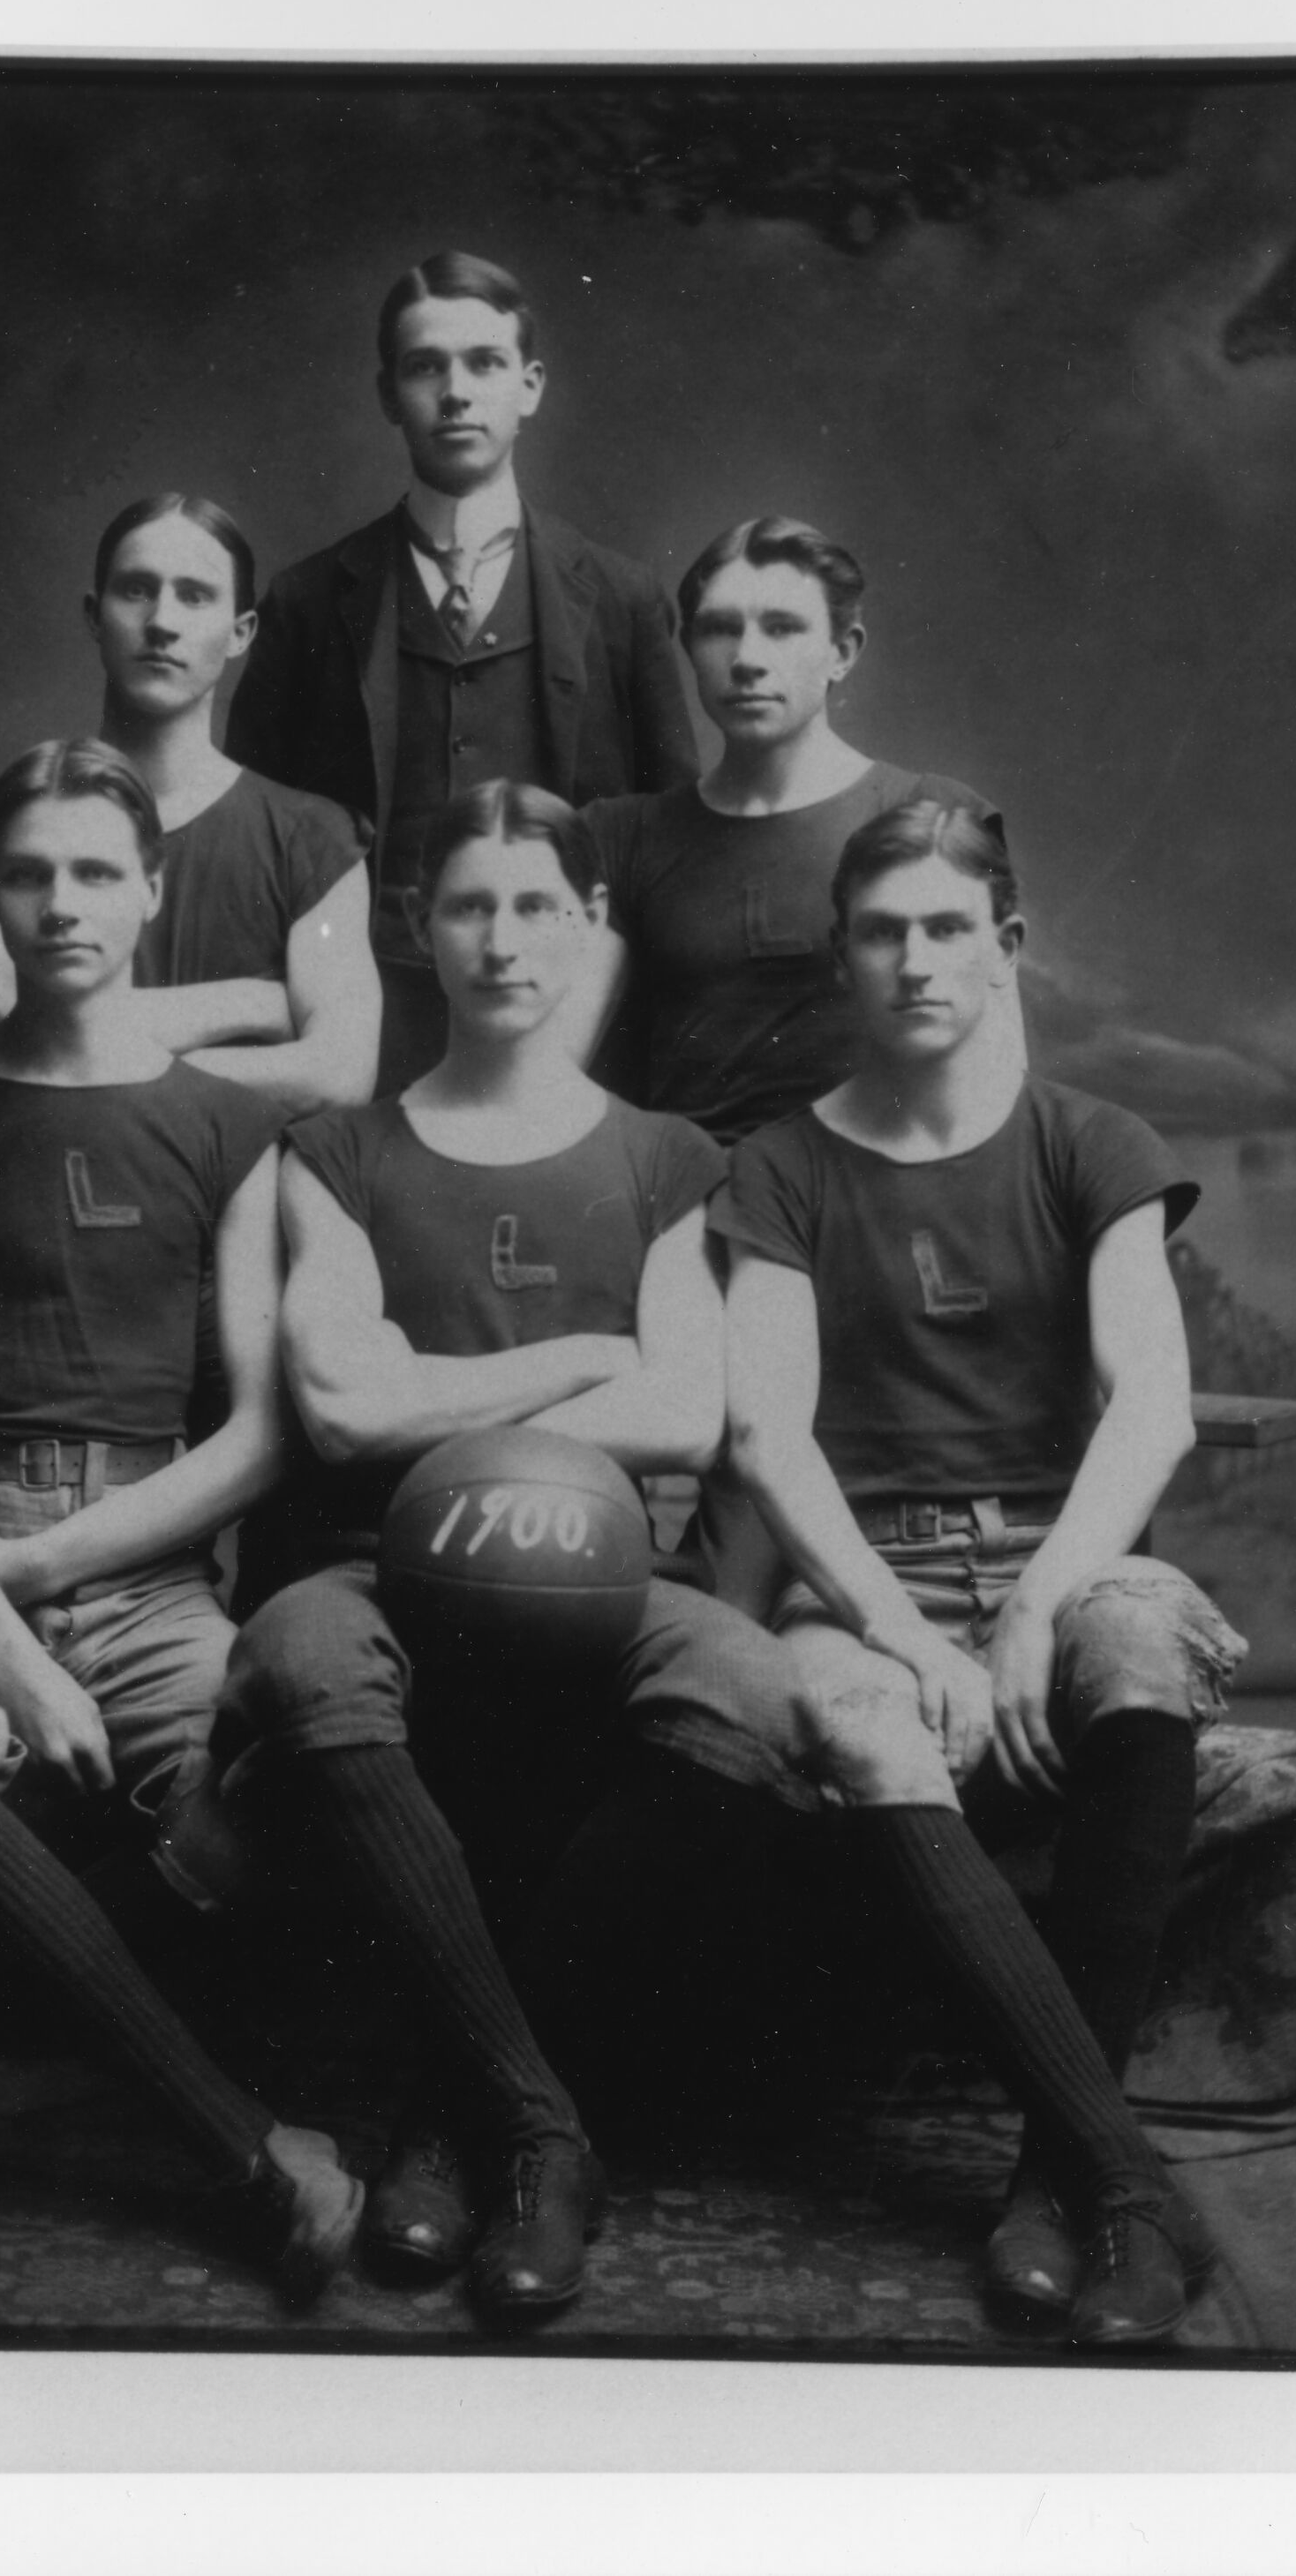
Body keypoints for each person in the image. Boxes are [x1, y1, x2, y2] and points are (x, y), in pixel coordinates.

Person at [214, 778, 817, 2327]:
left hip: (613, 1579)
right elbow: (343, 1410)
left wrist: (452, 1386)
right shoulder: (332, 1151)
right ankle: (542, 2129)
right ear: (415, 924)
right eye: (467, 904)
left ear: (588, 923)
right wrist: (574, 1346)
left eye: (535, 903)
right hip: (377, 1569)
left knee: (751, 1694)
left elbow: (685, 1411)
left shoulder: (670, 1157)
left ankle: (455, 2104)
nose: (500, 938)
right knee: (292, 1650)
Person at [0, 736, 363, 2298]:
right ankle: (242, 2146)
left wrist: (60, 1579)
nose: (60, 902)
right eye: (28, 872)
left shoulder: (223, 1125)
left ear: (151, 891)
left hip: (146, 1567)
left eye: (93, 872)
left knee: (264, 1791)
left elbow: (262, 1428)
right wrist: (2, 1642)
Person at [712, 799, 1247, 2347]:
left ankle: (1043, 2171)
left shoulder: (1092, 1143)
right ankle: (1123, 2181)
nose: (913, 959)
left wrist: (1029, 1608)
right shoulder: (781, 1164)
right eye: (879, 931)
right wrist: (908, 1629)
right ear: (842, 957)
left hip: (1061, 1557)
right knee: (859, 1715)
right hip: (857, 1578)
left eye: (946, 927)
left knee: (1139, 1642)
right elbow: (764, 1432)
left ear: (1004, 947)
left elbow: (1149, 1403)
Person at [224, 252, 698, 1097]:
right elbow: (253, 858)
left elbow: (670, 856)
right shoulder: (304, 602)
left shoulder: (623, 602)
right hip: (365, 1038)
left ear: (531, 385)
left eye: (484, 362)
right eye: (424, 366)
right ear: (386, 395)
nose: (455, 391)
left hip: (572, 1042)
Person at [0, 492, 381, 1116]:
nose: (162, 620)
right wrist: (256, 1004)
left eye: (195, 595)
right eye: (136, 590)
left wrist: (112, 1050)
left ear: (241, 632)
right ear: (94, 615)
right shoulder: (10, 811)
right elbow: (16, 1025)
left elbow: (338, 1075)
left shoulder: (312, 837)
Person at [584, 514, 1006, 1147]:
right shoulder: (625, 838)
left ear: (841, 652)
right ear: (690, 649)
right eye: (720, 630)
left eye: (781, 628)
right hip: (687, 1216)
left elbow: (995, 1075)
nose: (747, 659)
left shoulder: (931, 813)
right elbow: (551, 1070)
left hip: (871, 1204)